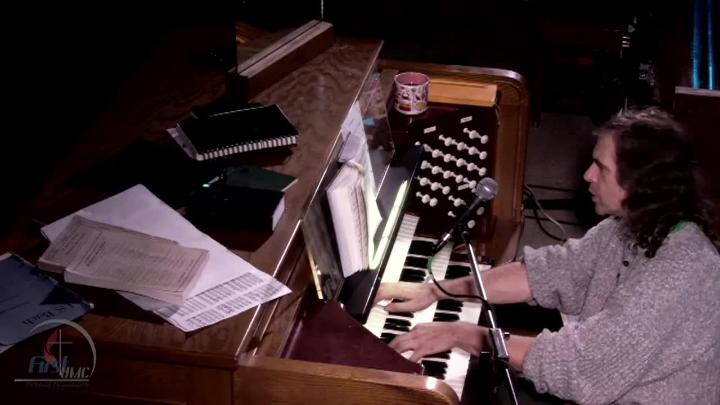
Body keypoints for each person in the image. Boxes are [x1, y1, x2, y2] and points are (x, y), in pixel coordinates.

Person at [374, 107, 720, 404]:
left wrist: (464, 334)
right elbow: (548, 272)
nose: (587, 175)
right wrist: (438, 290)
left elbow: (577, 368)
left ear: (641, 184)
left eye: (601, 168)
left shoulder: (676, 277)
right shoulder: (635, 225)